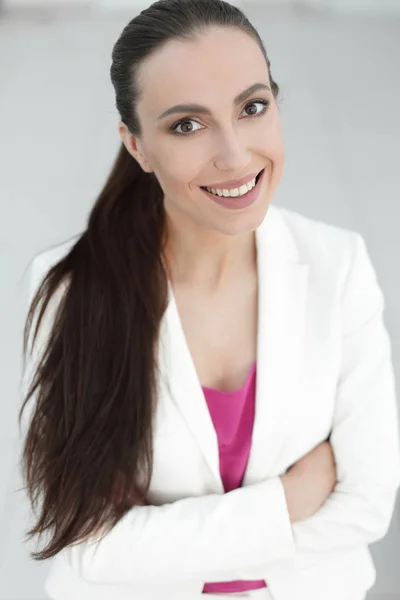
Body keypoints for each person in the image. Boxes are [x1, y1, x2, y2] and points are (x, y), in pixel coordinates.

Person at [18, 0, 400, 599]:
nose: (235, 155)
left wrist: (153, 541)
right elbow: (87, 543)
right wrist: (285, 503)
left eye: (252, 108)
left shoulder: (338, 264)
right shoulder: (73, 285)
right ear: (136, 145)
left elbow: (367, 507)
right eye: (186, 125)